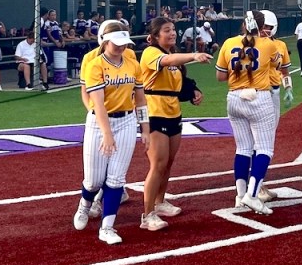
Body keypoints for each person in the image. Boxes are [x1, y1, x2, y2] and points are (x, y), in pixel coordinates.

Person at [72, 23, 149, 245]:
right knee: (94, 180)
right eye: (117, 43)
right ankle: (85, 205)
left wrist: (144, 128)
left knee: (116, 179)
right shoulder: (95, 65)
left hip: (126, 120)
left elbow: (141, 99)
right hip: (99, 122)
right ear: (105, 41)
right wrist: (107, 134)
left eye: (124, 43)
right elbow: (97, 103)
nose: (121, 47)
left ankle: (107, 227)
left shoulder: (133, 65)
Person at [139, 17, 212, 231]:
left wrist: (193, 92)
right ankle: (147, 214)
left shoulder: (172, 55)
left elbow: (179, 83)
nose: (172, 33)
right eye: (167, 30)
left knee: (168, 163)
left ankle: (160, 202)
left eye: (173, 30)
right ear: (154, 36)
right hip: (154, 113)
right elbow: (168, 63)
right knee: (158, 164)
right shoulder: (151, 53)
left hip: (173, 112)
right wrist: (193, 55)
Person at [216, 11, 282, 214]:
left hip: (234, 97)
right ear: (261, 27)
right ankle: (252, 195)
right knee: (264, 149)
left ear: (243, 24)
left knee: (243, 148)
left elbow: (220, 76)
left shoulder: (228, 43)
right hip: (259, 98)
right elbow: (277, 66)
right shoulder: (269, 44)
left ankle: (240, 195)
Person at [79, 21, 139, 215]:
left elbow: (136, 87)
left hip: (126, 116)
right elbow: (86, 92)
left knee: (116, 169)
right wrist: (96, 112)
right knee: (95, 173)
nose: (122, 46)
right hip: (101, 115)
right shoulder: (91, 60)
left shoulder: (128, 55)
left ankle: (104, 201)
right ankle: (91, 200)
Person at [256, 10, 293, 202]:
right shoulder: (253, 44)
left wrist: (288, 89)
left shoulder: (280, 45)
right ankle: (255, 186)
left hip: (275, 92)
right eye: (263, 27)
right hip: (259, 93)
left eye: (269, 27)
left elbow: (285, 71)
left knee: (268, 138)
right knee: (259, 142)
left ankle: (258, 182)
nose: (265, 31)